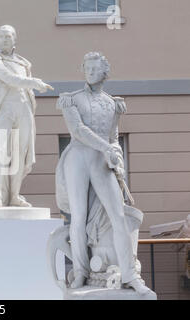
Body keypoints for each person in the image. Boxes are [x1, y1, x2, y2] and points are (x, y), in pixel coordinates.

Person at [55, 52, 151, 294]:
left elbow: (114, 136)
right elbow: (78, 130)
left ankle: (129, 274)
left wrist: (115, 151)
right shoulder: (71, 99)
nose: (90, 72)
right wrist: (107, 147)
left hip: (101, 161)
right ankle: (80, 272)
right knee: (78, 217)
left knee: (118, 216)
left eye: (95, 69)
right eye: (87, 68)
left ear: (105, 72)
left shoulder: (112, 103)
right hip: (78, 157)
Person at [0, 25, 53, 209]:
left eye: (8, 36)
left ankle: (14, 195)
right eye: (1, 37)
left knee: (19, 155)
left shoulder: (24, 63)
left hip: (23, 110)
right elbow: (8, 77)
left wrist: (32, 83)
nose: (5, 40)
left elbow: (24, 89)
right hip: (3, 110)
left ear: (15, 39)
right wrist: (35, 82)